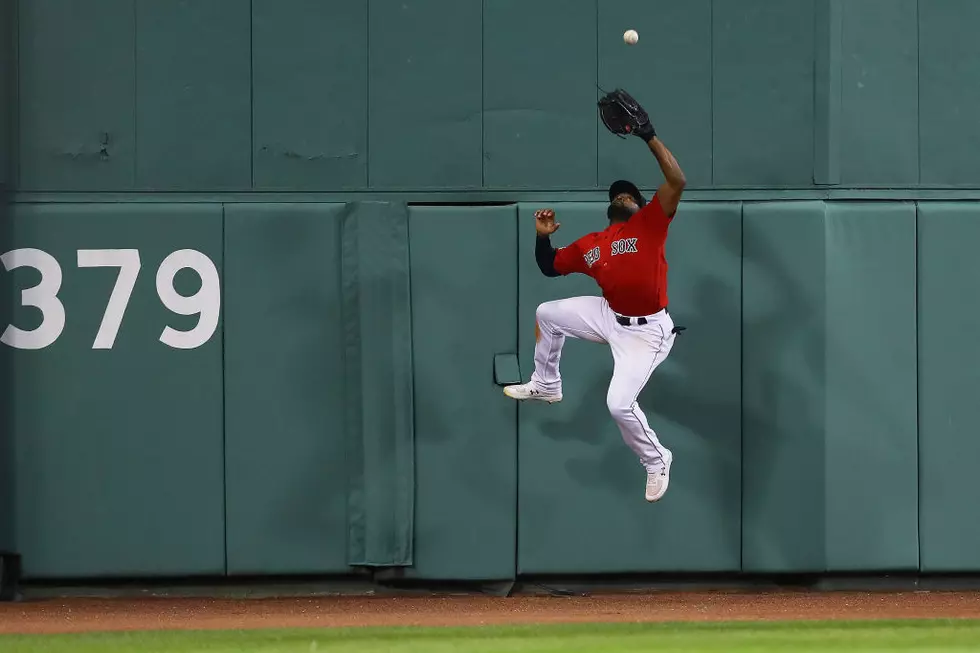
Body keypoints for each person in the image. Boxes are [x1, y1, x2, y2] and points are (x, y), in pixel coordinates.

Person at [502, 124, 686, 503]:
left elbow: (677, 179)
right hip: (609, 314)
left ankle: (656, 460)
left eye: (630, 194)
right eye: (617, 193)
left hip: (646, 332)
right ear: (609, 207)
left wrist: (647, 134)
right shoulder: (594, 245)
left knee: (618, 404)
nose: (622, 195)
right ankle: (547, 384)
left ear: (640, 204)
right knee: (547, 313)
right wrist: (542, 236)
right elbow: (550, 266)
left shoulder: (650, 223)